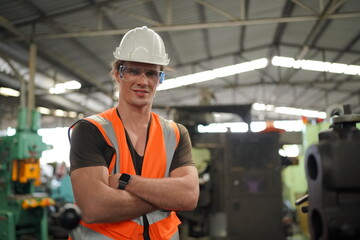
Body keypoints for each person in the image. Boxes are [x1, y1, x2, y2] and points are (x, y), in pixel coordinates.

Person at [68, 26, 199, 240]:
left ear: (160, 78)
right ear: (118, 74)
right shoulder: (91, 130)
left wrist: (126, 181)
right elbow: (93, 207)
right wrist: (168, 197)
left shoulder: (175, 134)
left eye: (151, 73)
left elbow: (190, 197)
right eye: (133, 71)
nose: (143, 81)